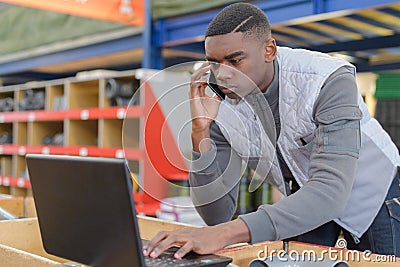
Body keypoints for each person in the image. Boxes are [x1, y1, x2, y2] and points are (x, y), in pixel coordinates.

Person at [143, 2, 400, 259]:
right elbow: (216, 214)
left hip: (376, 200)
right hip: (306, 204)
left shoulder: (326, 80)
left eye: (235, 60)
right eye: (214, 63)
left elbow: (329, 192)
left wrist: (224, 234)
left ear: (269, 50)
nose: (222, 75)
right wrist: (200, 133)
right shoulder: (217, 103)